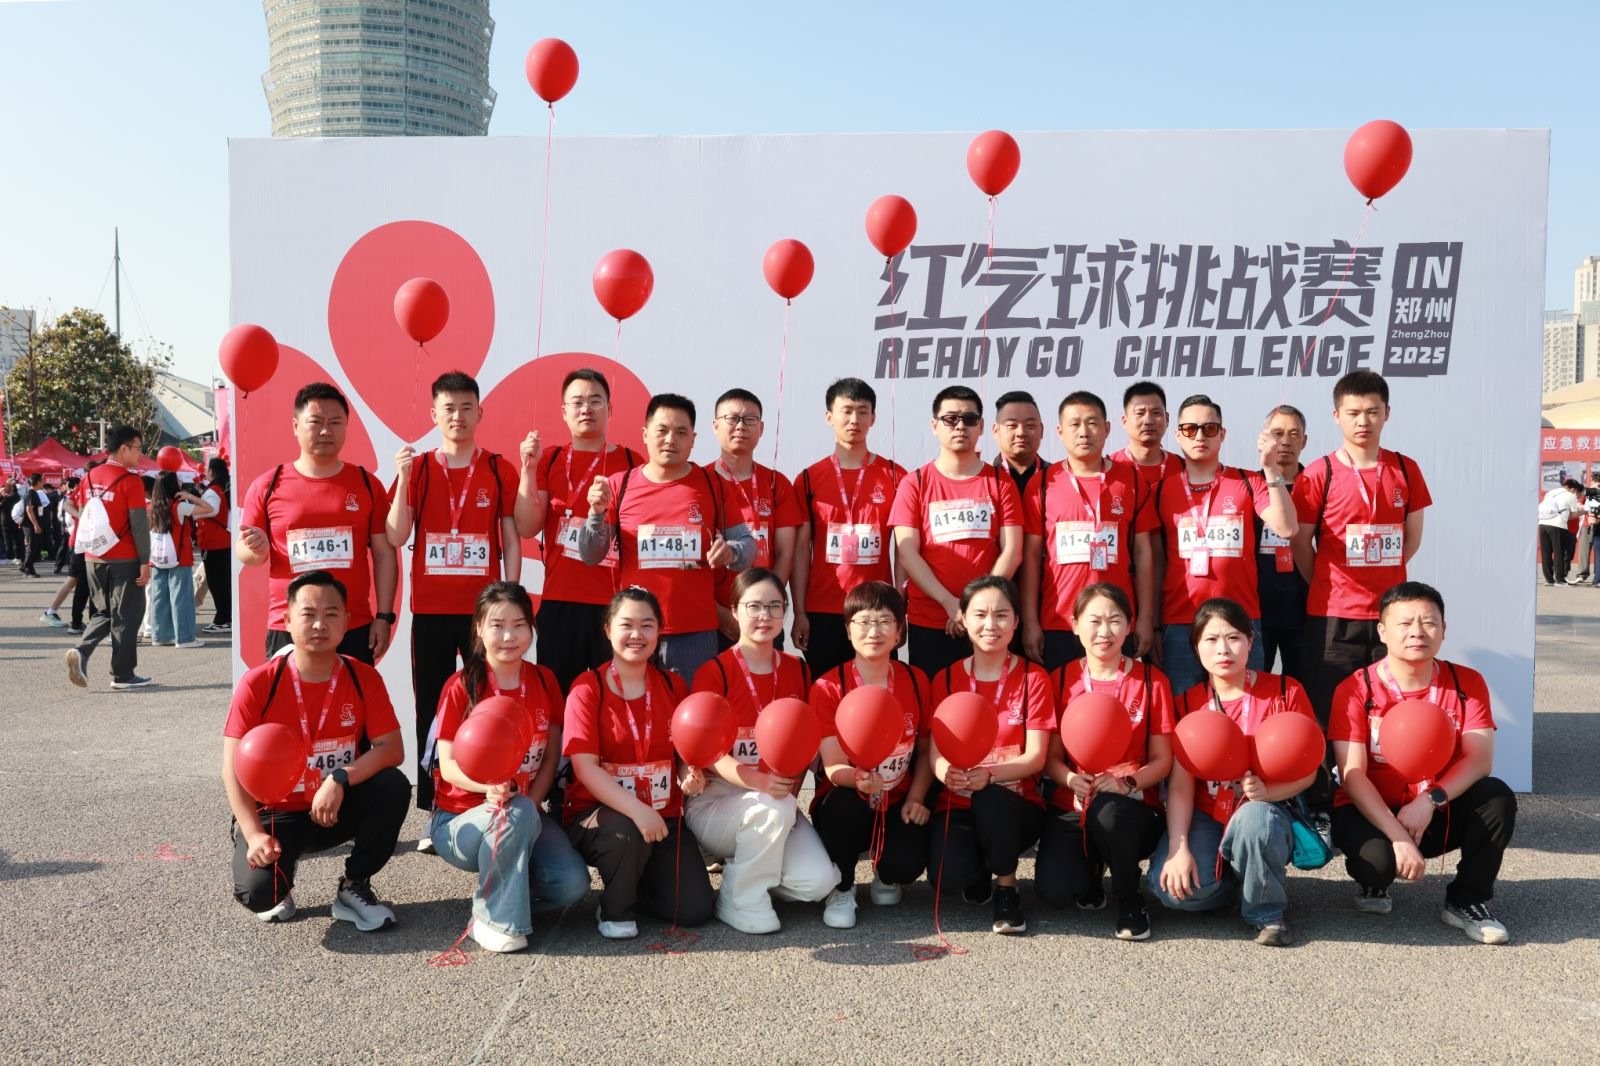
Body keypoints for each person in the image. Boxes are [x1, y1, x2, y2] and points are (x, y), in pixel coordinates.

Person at [1328, 582, 1518, 944]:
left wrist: (1430, 801)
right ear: (1382, 631)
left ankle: (1467, 900)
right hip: (1371, 810)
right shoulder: (1355, 689)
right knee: (1377, 863)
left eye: (1429, 622)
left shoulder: (1466, 682)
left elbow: (1480, 760)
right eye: (1404, 623)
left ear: (1444, 630)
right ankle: (1373, 882)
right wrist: (1398, 836)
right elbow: (1352, 776)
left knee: (1496, 796)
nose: (1417, 632)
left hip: (1432, 808)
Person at [221, 570, 411, 928]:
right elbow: (231, 768)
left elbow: (391, 749)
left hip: (335, 805)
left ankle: (354, 885)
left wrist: (339, 778)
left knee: (393, 786)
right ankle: (280, 880)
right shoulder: (259, 682)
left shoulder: (363, 677)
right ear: (287, 621)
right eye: (308, 614)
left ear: (347, 622)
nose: (320, 624)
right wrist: (253, 833)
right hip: (277, 812)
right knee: (260, 894)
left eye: (331, 614)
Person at [1147, 597, 1320, 947]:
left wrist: (1269, 793)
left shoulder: (1286, 692)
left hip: (1266, 811)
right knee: (1171, 892)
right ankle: (1235, 886)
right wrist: (1179, 849)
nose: (1223, 649)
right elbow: (1180, 787)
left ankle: (1266, 913)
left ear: (1251, 641)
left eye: (1233, 638)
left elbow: (1309, 770)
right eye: (1211, 639)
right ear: (1196, 647)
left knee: (1256, 820)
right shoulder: (1187, 703)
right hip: (1207, 812)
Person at [427, 582, 590, 953]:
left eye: (519, 625)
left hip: (523, 811)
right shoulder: (461, 685)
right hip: (460, 819)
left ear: (531, 629)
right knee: (514, 813)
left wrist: (531, 803)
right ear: (479, 629)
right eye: (497, 625)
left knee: (571, 885)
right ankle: (495, 920)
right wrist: (487, 789)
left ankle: (496, 895)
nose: (508, 636)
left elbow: (550, 757)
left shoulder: (545, 680)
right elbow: (447, 766)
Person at [386, 371, 521, 815]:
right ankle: (434, 807)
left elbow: (510, 536)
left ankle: (489, 794)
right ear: (434, 414)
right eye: (449, 408)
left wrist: (511, 594)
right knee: (431, 707)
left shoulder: (498, 468)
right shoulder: (420, 468)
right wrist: (402, 477)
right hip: (430, 609)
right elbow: (395, 534)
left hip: (482, 613)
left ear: (480, 412)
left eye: (466, 408)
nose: (458, 416)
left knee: (487, 702)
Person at [686, 568, 836, 933]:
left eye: (774, 606)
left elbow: (804, 740)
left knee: (817, 883)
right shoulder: (714, 672)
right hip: (718, 801)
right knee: (773, 808)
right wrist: (761, 784)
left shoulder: (798, 670)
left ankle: (747, 867)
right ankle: (739, 898)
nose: (764, 615)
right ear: (734, 611)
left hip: (776, 802)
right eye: (753, 606)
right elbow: (711, 755)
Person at [562, 586, 716, 938]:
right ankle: (614, 909)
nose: (637, 634)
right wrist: (637, 810)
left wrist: (687, 777)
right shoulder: (588, 688)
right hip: (603, 816)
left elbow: (681, 755)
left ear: (659, 631)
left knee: (694, 910)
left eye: (647, 625)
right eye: (626, 625)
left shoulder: (673, 686)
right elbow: (584, 767)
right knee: (626, 833)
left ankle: (638, 881)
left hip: (662, 817)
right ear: (607, 630)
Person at [576, 393, 756, 683]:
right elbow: (590, 554)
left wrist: (731, 552)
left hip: (694, 632)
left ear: (693, 440)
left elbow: (748, 547)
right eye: (662, 430)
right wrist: (595, 514)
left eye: (681, 432)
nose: (671, 439)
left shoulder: (713, 484)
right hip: (635, 631)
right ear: (645, 434)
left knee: (693, 710)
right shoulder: (619, 485)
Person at [1291, 370, 1432, 727]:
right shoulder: (1318, 474)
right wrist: (1325, 581)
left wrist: (1383, 571)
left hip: (1392, 613)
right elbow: (1300, 543)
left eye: (1372, 412)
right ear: (1337, 416)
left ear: (1387, 413)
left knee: (1390, 711)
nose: (1363, 422)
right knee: (1330, 711)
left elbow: (1411, 539)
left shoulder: (1406, 469)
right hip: (1333, 616)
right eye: (1353, 413)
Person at [1037, 583, 1175, 940]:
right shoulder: (1061, 680)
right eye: (1094, 621)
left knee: (1110, 811)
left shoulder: (1152, 680)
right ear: (1075, 625)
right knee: (1056, 892)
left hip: (1132, 808)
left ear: (1129, 626)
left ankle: (1129, 898)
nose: (1104, 631)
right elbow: (1050, 759)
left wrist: (1127, 783)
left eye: (1115, 621)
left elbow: (1163, 760)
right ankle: (1093, 865)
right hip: (1074, 804)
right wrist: (1070, 779)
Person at [927, 577, 1054, 935]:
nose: (990, 624)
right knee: (947, 877)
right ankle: (981, 867)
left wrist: (990, 775)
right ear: (963, 619)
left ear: (1016, 622)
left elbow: (1036, 757)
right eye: (980, 614)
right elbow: (935, 752)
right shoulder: (946, 679)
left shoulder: (1034, 678)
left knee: (991, 799)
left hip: (1015, 804)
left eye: (1001, 615)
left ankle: (1007, 888)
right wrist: (944, 771)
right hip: (958, 803)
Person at [236, 382, 397, 665]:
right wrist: (254, 548)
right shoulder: (267, 485)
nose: (326, 431)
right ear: (295, 426)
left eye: (335, 422)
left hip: (353, 624)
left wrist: (384, 616)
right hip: (289, 625)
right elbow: (247, 554)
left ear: (346, 426)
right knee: (288, 695)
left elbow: (384, 554)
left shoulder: (367, 484)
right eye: (316, 422)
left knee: (352, 695)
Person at [1150, 395, 1297, 694]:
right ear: (1177, 435)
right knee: (1185, 714)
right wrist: (1153, 625)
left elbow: (1288, 528)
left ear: (1222, 434)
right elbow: (1153, 564)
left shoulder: (1248, 481)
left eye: (1209, 429)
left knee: (1246, 710)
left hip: (1240, 623)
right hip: (1179, 625)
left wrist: (1271, 468)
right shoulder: (1160, 491)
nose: (1200, 436)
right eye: (1190, 429)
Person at [809, 581, 932, 930]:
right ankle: (842, 886)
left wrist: (917, 797)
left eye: (884, 621)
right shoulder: (828, 687)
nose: (873, 632)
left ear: (899, 631)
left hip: (897, 799)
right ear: (848, 631)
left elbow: (926, 750)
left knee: (906, 863)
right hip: (849, 797)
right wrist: (858, 778)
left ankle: (885, 874)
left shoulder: (917, 680)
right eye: (863, 622)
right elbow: (833, 765)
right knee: (844, 807)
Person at [517, 368, 642, 692]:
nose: (586, 408)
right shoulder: (550, 459)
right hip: (560, 601)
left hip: (615, 605)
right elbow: (527, 527)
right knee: (557, 698)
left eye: (595, 400)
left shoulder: (632, 462)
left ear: (609, 409)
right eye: (577, 402)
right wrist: (528, 470)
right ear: (564, 411)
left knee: (616, 697)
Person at [890, 386, 1023, 677]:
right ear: (934, 425)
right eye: (950, 419)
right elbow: (907, 553)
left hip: (987, 623)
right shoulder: (915, 483)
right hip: (930, 620)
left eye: (969, 419)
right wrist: (949, 604)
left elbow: (1012, 551)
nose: (960, 426)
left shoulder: (1001, 482)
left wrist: (974, 607)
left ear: (982, 426)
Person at [1020, 390, 1157, 670]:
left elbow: (1143, 554)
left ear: (1107, 428)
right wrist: (1031, 622)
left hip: (1116, 621)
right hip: (1058, 621)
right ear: (1060, 432)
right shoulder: (1041, 484)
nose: (1084, 432)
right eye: (1074, 424)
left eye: (1092, 423)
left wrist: (1145, 618)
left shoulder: (1131, 481)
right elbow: (1031, 558)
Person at [791, 378, 906, 677]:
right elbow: (801, 551)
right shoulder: (808, 479)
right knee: (825, 691)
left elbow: (903, 550)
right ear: (829, 417)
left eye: (862, 411)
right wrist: (800, 611)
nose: (854, 419)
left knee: (876, 692)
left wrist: (900, 608)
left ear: (873, 418)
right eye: (846, 411)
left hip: (877, 610)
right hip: (823, 611)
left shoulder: (895, 476)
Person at [705, 389, 805, 649]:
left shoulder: (777, 484)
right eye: (732, 418)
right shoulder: (699, 482)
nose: (740, 426)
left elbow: (785, 554)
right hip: (711, 616)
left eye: (750, 420)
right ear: (715, 426)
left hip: (764, 618)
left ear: (761, 428)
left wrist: (765, 606)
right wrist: (718, 612)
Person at [65, 427, 153, 690]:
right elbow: (139, 525)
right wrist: (145, 561)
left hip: (93, 556)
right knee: (127, 614)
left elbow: (83, 513)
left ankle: (81, 651)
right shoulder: (131, 481)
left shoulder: (90, 476)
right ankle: (123, 675)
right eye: (138, 448)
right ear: (123, 448)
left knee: (104, 612)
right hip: (124, 558)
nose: (140, 454)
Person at [1255, 405, 1312, 680]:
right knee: (1255, 687)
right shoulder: (1250, 485)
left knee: (1305, 688)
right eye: (1278, 433)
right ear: (1264, 438)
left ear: (1304, 441)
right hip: (1258, 611)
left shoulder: (1317, 485)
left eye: (1294, 434)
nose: (1286, 441)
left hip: (1305, 610)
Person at [147, 470, 215, 648]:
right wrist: (189, 496)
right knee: (181, 597)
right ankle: (185, 638)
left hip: (157, 556)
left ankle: (160, 635)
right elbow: (210, 509)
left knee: (159, 596)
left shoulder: (151, 507)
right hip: (179, 555)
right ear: (172, 485)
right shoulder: (179, 506)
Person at [1110, 381, 1185, 493]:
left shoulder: (1183, 468)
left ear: (1167, 419)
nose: (1148, 421)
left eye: (1156, 413)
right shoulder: (1109, 467)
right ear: (1125, 422)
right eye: (1140, 413)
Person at [40, 474, 82, 629]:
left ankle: (53, 612)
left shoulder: (74, 495)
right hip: (78, 542)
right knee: (74, 580)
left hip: (79, 541)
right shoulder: (76, 495)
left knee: (75, 580)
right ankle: (51, 612)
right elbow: (67, 514)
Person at [197, 458, 233, 633]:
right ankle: (225, 617)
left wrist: (192, 510)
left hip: (214, 543)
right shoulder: (222, 488)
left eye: (207, 469)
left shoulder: (213, 491)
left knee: (217, 583)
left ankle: (223, 619)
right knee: (222, 582)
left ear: (211, 471)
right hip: (221, 541)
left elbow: (212, 510)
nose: (205, 471)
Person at [992, 390, 1048, 496]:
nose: (1021, 433)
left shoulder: (1060, 478)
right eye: (1012, 426)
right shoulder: (983, 477)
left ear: (1041, 430)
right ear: (995, 431)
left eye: (1030, 426)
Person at [1537, 478, 1582, 587]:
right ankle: (1560, 580)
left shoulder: (1550, 492)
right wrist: (1583, 511)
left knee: (1546, 552)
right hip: (1558, 525)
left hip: (1542, 523)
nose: (1575, 493)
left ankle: (1549, 580)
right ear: (1572, 489)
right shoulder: (1570, 496)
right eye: (1576, 491)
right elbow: (1574, 514)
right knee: (1559, 553)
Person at [1564, 470, 1600, 584]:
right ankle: (1582, 574)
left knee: (1598, 551)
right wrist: (1586, 508)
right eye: (1594, 480)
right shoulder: (1590, 491)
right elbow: (1579, 503)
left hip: (1598, 524)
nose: (1595, 483)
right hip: (1587, 524)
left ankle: (1597, 577)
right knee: (1584, 550)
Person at [17, 472, 45, 576]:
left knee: (35, 546)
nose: (43, 483)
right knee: (32, 546)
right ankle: (25, 566)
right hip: (30, 524)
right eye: (42, 481)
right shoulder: (30, 493)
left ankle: (28, 568)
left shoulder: (35, 493)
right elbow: (29, 510)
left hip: (34, 523)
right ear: (38, 482)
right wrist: (35, 525)